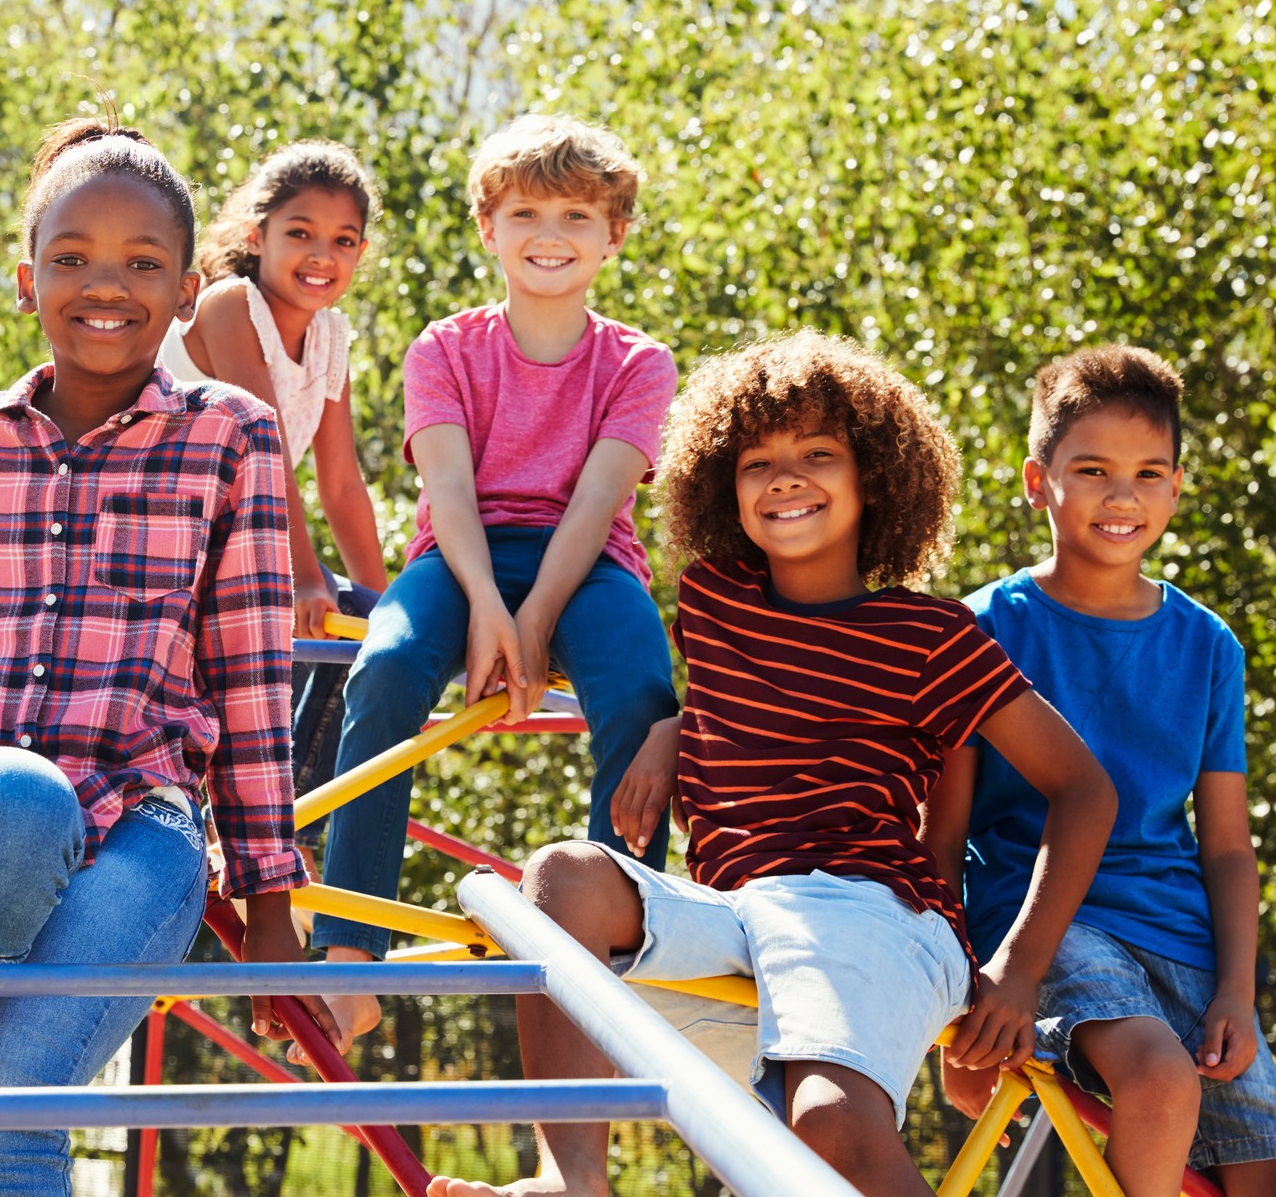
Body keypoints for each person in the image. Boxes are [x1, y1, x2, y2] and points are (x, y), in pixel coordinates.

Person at [429, 331, 1116, 1197]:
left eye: (818, 454)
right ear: (727, 485)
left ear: (876, 475)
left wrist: (1017, 969)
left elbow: (1084, 788)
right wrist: (670, 730)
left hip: (870, 910)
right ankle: (573, 1180)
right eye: (758, 462)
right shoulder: (714, 600)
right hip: (732, 911)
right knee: (559, 876)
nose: (785, 478)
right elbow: (747, 704)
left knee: (828, 1125)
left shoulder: (931, 637)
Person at [0, 119, 340, 1197]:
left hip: (139, 819)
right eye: (72, 257)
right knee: (12, 799)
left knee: (12, 1105)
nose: (104, 283)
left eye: (142, 262)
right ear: (28, 282)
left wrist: (269, 887)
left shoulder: (231, 436)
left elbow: (251, 671)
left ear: (185, 296)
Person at [309, 114, 681, 1051]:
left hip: (586, 566)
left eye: (576, 215)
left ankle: (619, 934)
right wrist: (485, 609)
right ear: (488, 227)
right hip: (459, 559)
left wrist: (534, 619)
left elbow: (598, 504)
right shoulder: (445, 348)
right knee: (386, 668)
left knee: (641, 686)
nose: (549, 234)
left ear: (614, 235)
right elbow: (448, 492)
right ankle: (350, 944)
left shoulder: (637, 362)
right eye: (525, 212)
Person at [929, 345, 1276, 1196]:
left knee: (1259, 1162)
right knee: (1159, 1080)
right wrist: (951, 997)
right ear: (1036, 479)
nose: (1123, 497)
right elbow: (941, 831)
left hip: (1180, 933)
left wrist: (1238, 992)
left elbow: (1228, 848)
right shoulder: (981, 630)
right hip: (1042, 926)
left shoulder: (1208, 647)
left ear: (1177, 487)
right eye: (1092, 470)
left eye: (1148, 473)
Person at [162, 141, 387, 854]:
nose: (322, 254)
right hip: (175, 533)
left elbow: (342, 483)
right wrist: (309, 576)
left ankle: (284, 821)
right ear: (256, 237)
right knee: (312, 614)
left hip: (248, 546)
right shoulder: (232, 307)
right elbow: (264, 459)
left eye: (343, 241)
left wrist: (391, 612)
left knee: (374, 636)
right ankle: (247, 822)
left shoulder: (329, 337)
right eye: (301, 234)